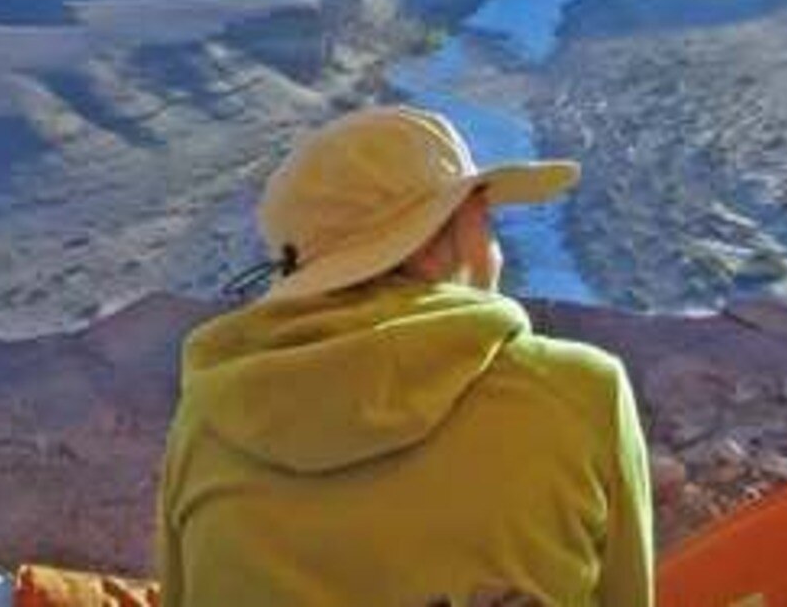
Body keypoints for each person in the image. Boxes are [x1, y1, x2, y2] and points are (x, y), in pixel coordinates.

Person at [155, 105, 654, 607]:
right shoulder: (580, 395)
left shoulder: (208, 425)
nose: (497, 253)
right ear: (431, 243)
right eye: (485, 222)